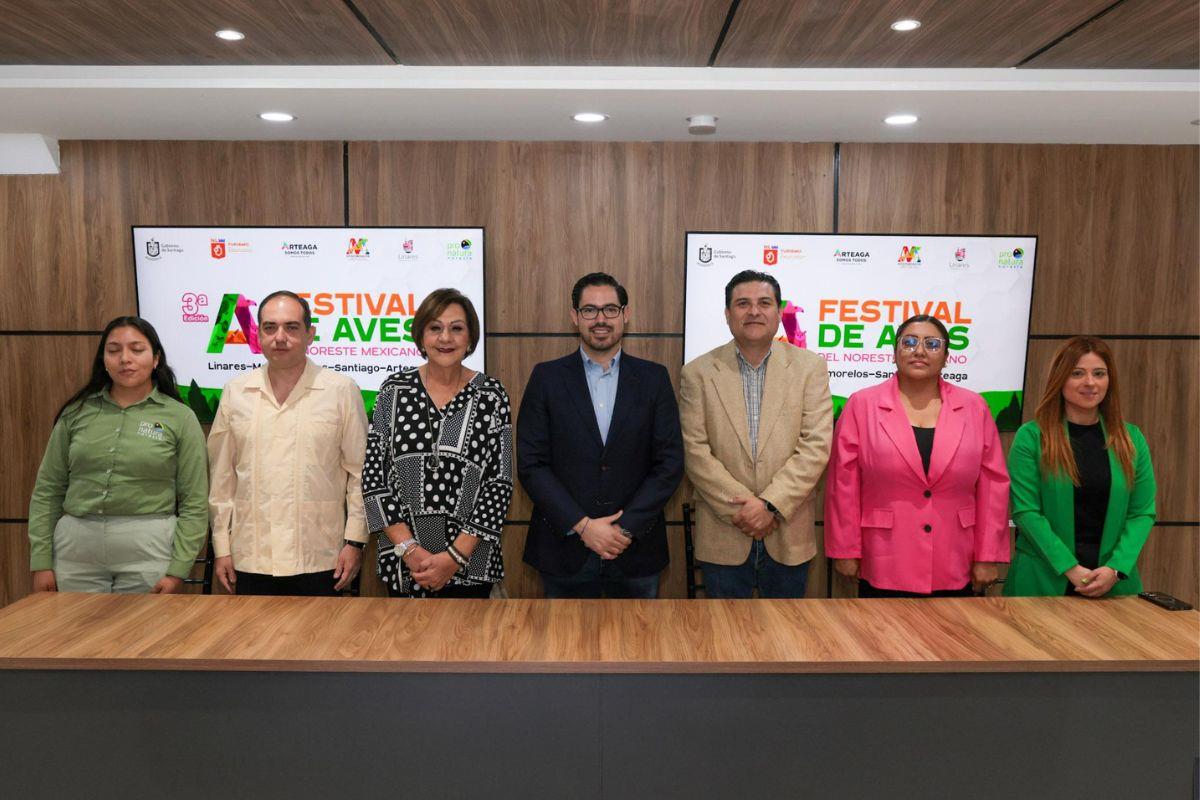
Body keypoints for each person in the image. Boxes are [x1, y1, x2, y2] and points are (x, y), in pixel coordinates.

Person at [517, 272, 683, 598]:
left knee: (637, 647)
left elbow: (670, 463)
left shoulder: (654, 379)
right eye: (590, 310)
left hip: (635, 548)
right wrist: (583, 527)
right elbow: (531, 464)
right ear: (574, 317)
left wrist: (623, 529)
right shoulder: (546, 378)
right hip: (564, 549)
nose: (600, 319)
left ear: (625, 314)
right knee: (562, 647)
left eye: (610, 309)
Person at [824, 315, 1010, 597]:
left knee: (952, 640)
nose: (919, 351)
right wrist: (845, 549)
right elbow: (843, 485)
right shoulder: (862, 405)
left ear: (947, 357)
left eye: (932, 344)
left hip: (955, 559)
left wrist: (987, 555)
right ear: (895, 353)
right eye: (909, 342)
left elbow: (992, 487)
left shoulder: (975, 408)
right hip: (884, 558)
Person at [27, 316, 208, 593]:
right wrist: (41, 561)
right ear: (103, 360)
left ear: (156, 358)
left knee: (144, 636)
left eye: (137, 349)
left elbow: (195, 501)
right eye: (114, 350)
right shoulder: (76, 413)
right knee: (75, 635)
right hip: (76, 550)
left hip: (150, 548)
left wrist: (177, 570)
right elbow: (48, 489)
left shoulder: (180, 417)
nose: (125, 359)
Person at [679, 270, 832, 598]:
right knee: (724, 641)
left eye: (764, 303)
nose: (753, 311)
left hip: (788, 532)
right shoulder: (698, 373)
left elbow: (816, 444)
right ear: (727, 314)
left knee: (788, 639)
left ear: (779, 313)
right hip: (724, 532)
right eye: (742, 303)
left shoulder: (810, 368)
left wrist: (770, 505)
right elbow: (694, 450)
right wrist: (745, 510)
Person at [207, 291, 368, 596]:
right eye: (269, 328)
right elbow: (221, 480)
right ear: (258, 335)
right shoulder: (236, 392)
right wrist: (222, 547)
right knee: (252, 643)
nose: (280, 337)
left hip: (321, 557)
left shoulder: (340, 391)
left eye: (292, 328)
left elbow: (360, 475)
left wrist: (354, 541)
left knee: (319, 642)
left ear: (310, 334)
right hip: (250, 557)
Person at [363, 288, 512, 598]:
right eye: (435, 328)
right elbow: (374, 479)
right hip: (406, 565)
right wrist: (410, 550)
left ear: (470, 338)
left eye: (456, 328)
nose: (446, 338)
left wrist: (454, 558)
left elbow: (500, 484)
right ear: (421, 337)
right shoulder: (394, 390)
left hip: (471, 565)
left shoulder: (491, 395)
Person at [1004, 336, 1156, 597]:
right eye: (1077, 373)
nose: (1090, 383)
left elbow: (1142, 513)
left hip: (1113, 584)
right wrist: (1071, 568)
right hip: (1043, 583)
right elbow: (1026, 511)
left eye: (1099, 373)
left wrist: (1115, 569)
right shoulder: (1031, 436)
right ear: (1060, 378)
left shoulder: (1131, 439)